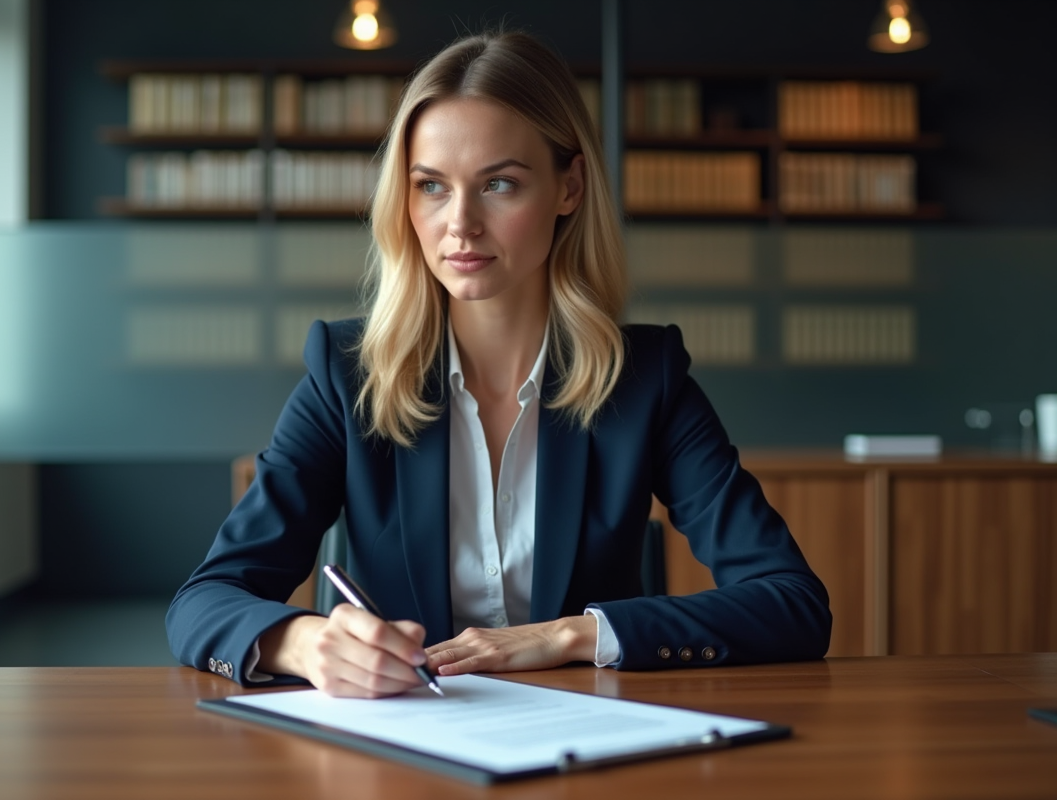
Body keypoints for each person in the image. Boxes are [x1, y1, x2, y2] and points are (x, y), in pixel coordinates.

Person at [167, 30, 831, 697]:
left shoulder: (645, 378)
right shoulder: (347, 376)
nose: (460, 224)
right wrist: (307, 643)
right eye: (431, 186)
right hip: (406, 752)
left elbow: (793, 602)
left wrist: (567, 635)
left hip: (586, 745)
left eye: (500, 184)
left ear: (568, 188)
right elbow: (205, 600)